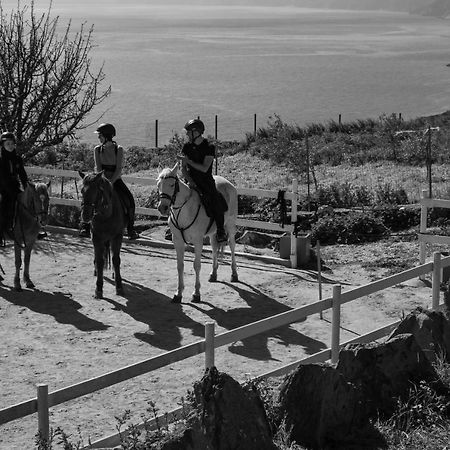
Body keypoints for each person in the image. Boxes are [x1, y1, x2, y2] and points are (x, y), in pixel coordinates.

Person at [79, 123, 139, 239]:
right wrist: (104, 181)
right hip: (100, 179)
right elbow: (98, 168)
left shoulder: (118, 149)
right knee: (88, 197)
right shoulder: (97, 149)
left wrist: (111, 182)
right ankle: (85, 226)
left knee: (130, 200)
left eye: (100, 135)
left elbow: (118, 169)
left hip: (115, 179)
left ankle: (131, 228)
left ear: (107, 136)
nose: (98, 137)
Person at [177, 118, 228, 243]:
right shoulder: (187, 147)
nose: (187, 134)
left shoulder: (209, 147)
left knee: (215, 201)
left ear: (196, 132)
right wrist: (190, 181)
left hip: (206, 182)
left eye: (189, 132)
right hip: (191, 181)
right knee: (176, 198)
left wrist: (189, 161)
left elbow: (205, 168)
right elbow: (183, 169)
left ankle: (220, 231)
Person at [0, 131, 47, 240]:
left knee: (31, 203)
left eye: (12, 143)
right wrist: (13, 191)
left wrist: (28, 187)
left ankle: (35, 229)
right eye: (8, 144)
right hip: (2, 188)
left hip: (15, 187)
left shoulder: (17, 159)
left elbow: (22, 175)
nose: (10, 146)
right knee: (3, 207)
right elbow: (3, 179)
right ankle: (2, 231)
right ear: (3, 145)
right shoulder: (1, 160)